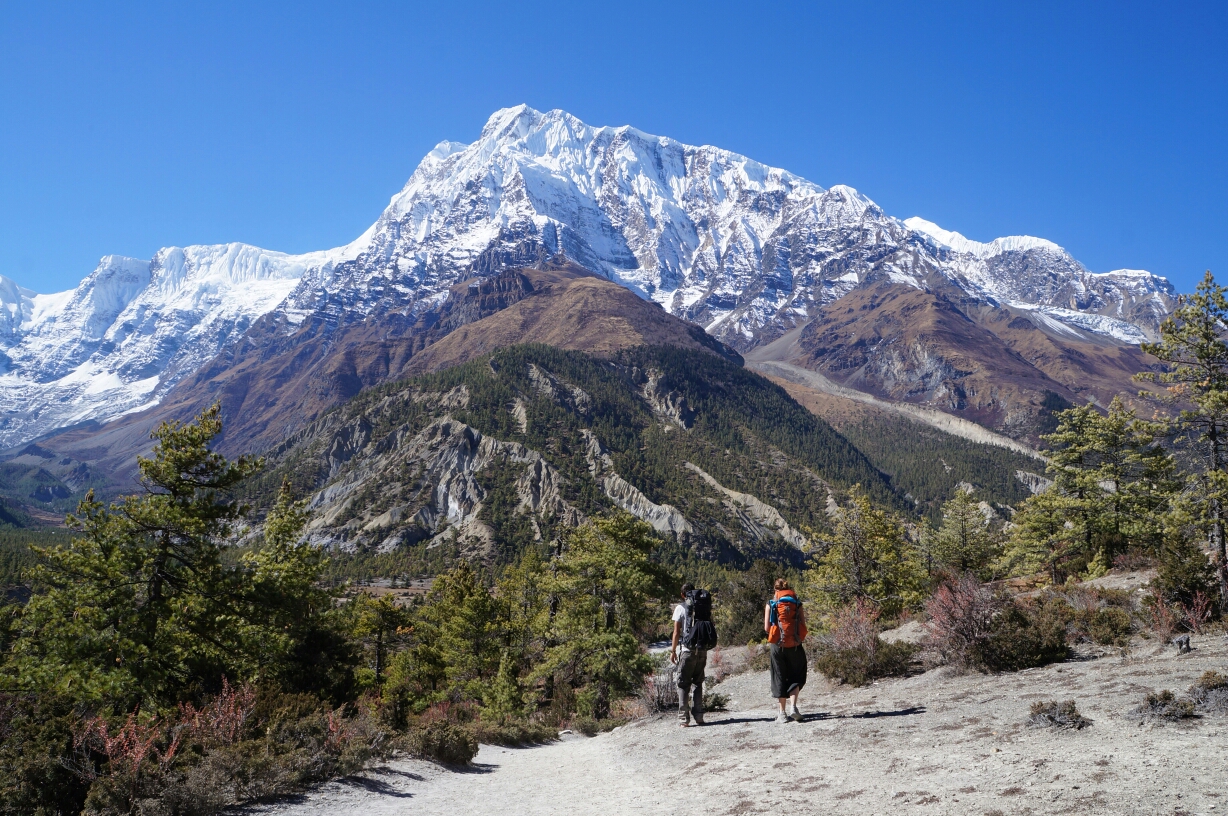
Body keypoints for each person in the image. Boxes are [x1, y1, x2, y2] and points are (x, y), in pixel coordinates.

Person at [764, 578, 807, 723]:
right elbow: (802, 623)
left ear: (775, 589)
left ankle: (782, 713)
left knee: (779, 676)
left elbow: (766, 628)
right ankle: (793, 707)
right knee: (797, 675)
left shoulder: (771, 604)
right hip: (794, 644)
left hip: (777, 645)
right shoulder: (797, 603)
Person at [670, 582, 707, 726]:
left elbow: (676, 632)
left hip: (687, 650)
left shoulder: (680, 607)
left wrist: (673, 651)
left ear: (682, 594)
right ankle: (699, 716)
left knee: (683, 683)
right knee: (698, 683)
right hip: (702, 649)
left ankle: (683, 718)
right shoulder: (702, 606)